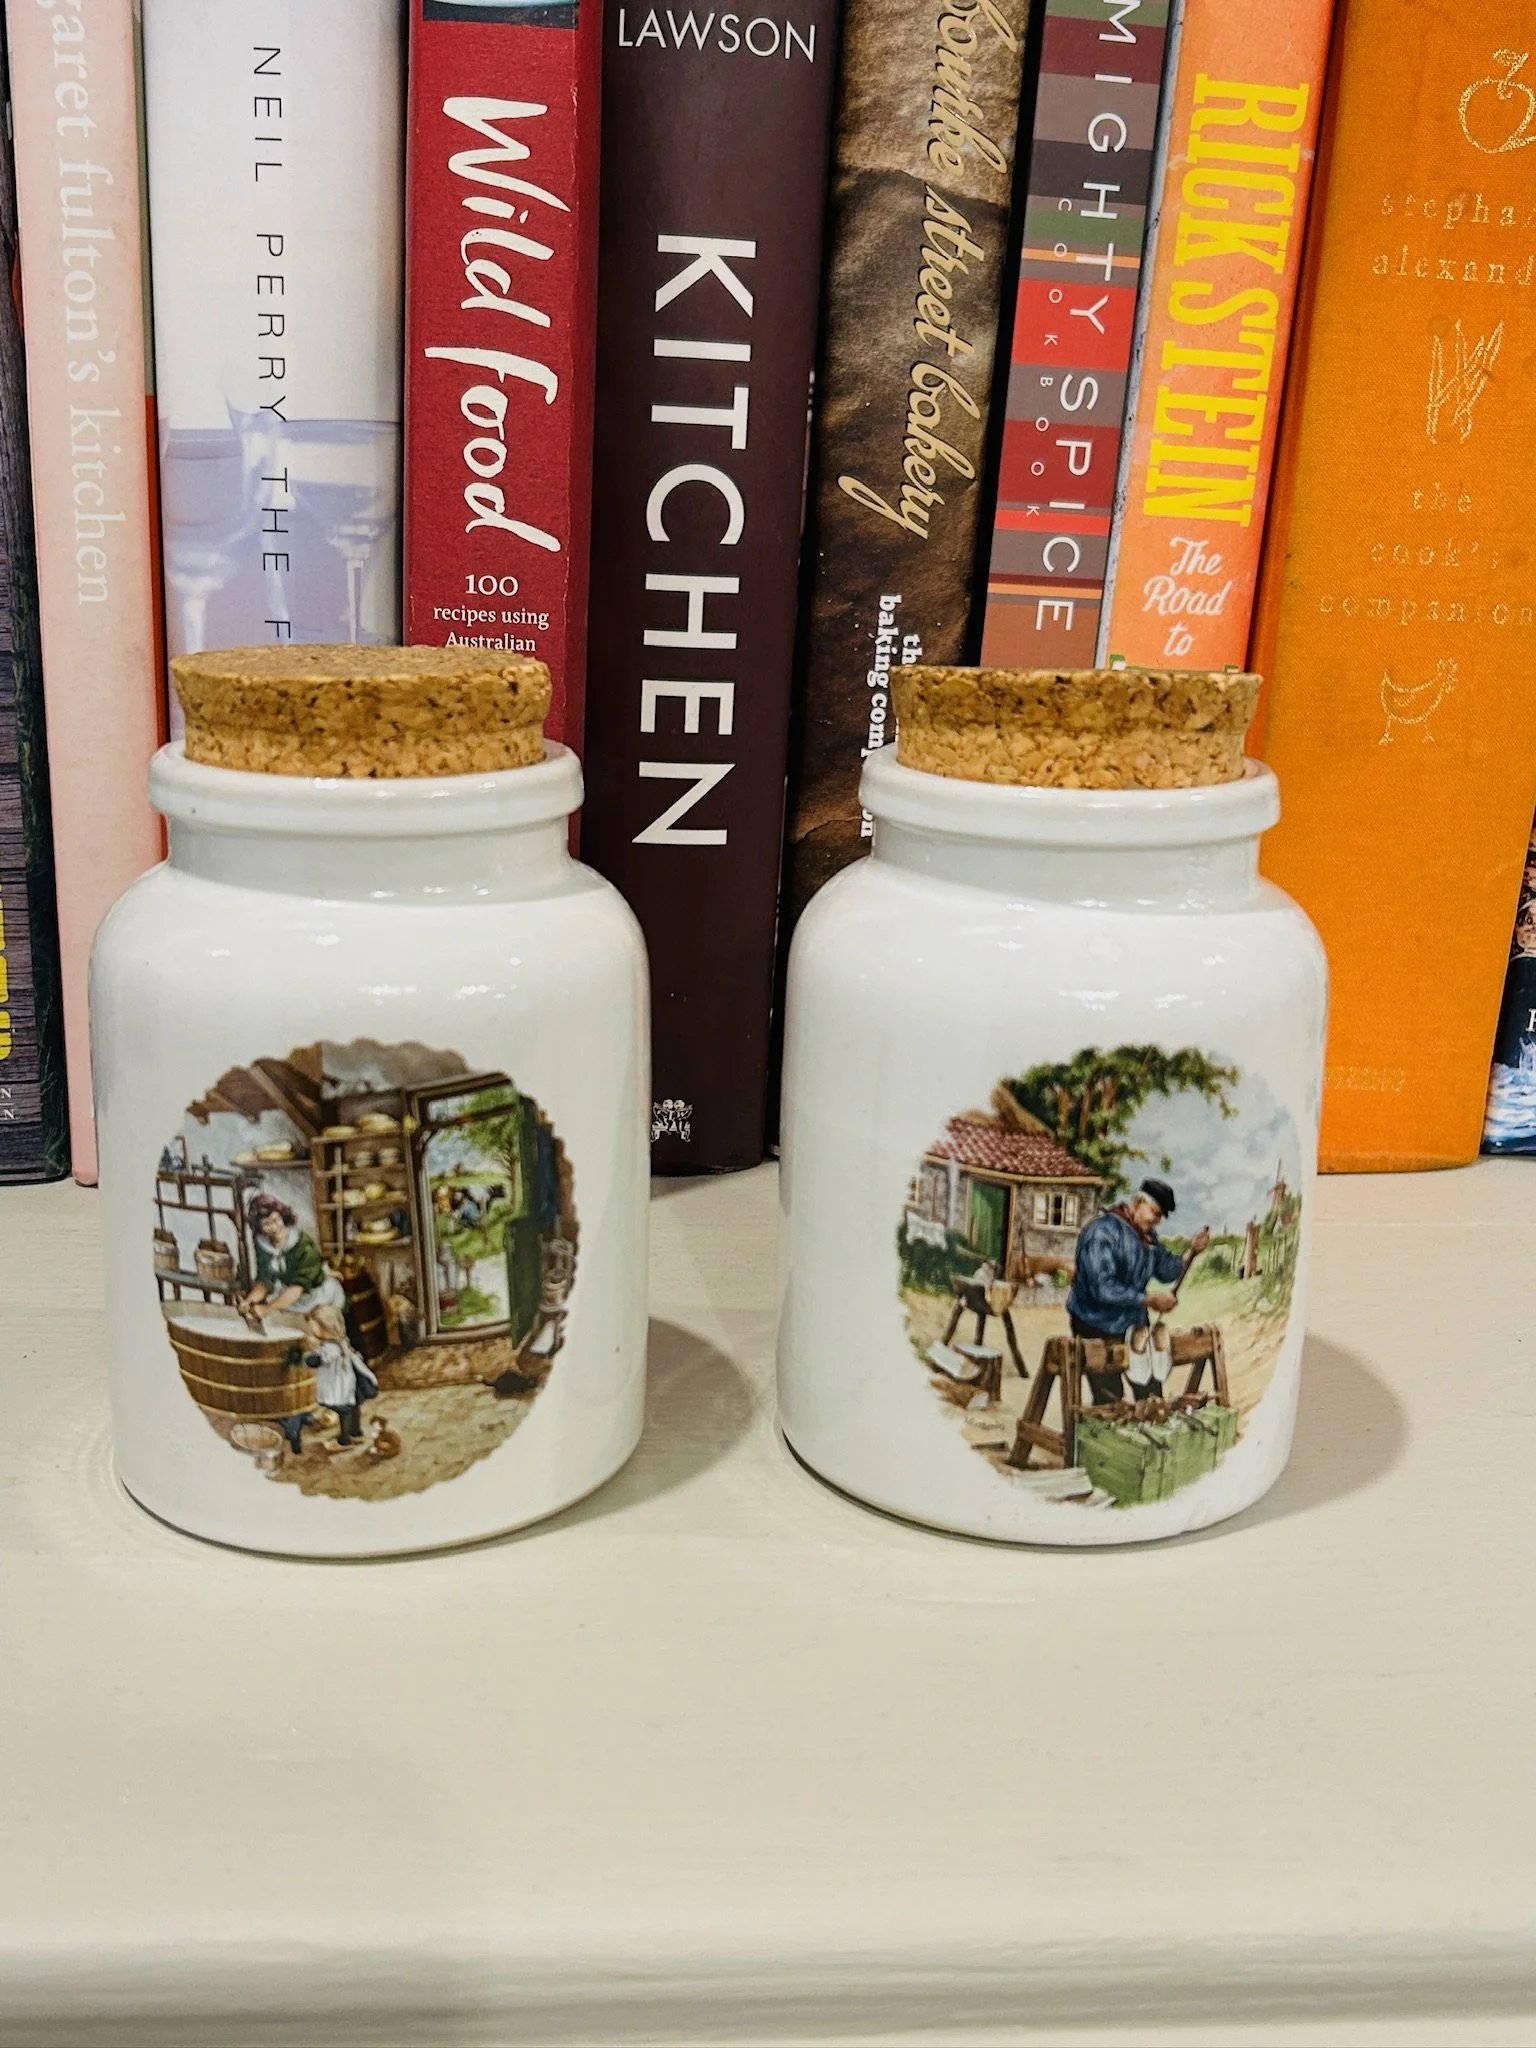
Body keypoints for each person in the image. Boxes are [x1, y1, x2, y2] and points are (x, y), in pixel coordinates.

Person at [1065, 1179, 1211, 1404]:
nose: (1157, 1220)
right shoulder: (1101, 1232)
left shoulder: (1148, 1238)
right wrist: (1149, 1300)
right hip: (1094, 1324)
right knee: (1110, 1400)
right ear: (1138, 1202)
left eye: (1160, 1216)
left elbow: (1167, 1270)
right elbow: (1102, 1288)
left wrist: (1192, 1251)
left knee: (1152, 1395)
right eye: (1154, 1212)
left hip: (1133, 1325)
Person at [238, 1195, 347, 1321]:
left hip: (318, 1299)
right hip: (289, 1300)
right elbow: (265, 1280)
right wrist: (249, 1301)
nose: (274, 1228)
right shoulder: (263, 1245)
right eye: (266, 1224)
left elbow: (298, 1287)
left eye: (276, 1220)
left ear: (282, 1216)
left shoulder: (303, 1244)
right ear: (259, 1227)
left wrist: (267, 1309)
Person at [300, 1303, 379, 1450]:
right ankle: (356, 1432)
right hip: (349, 1380)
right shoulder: (341, 1341)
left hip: (340, 1384)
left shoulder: (329, 1347)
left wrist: (306, 1355)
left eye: (314, 1325)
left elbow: (316, 1361)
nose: (312, 1329)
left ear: (325, 1326)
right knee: (353, 1407)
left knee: (344, 1410)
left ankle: (344, 1440)